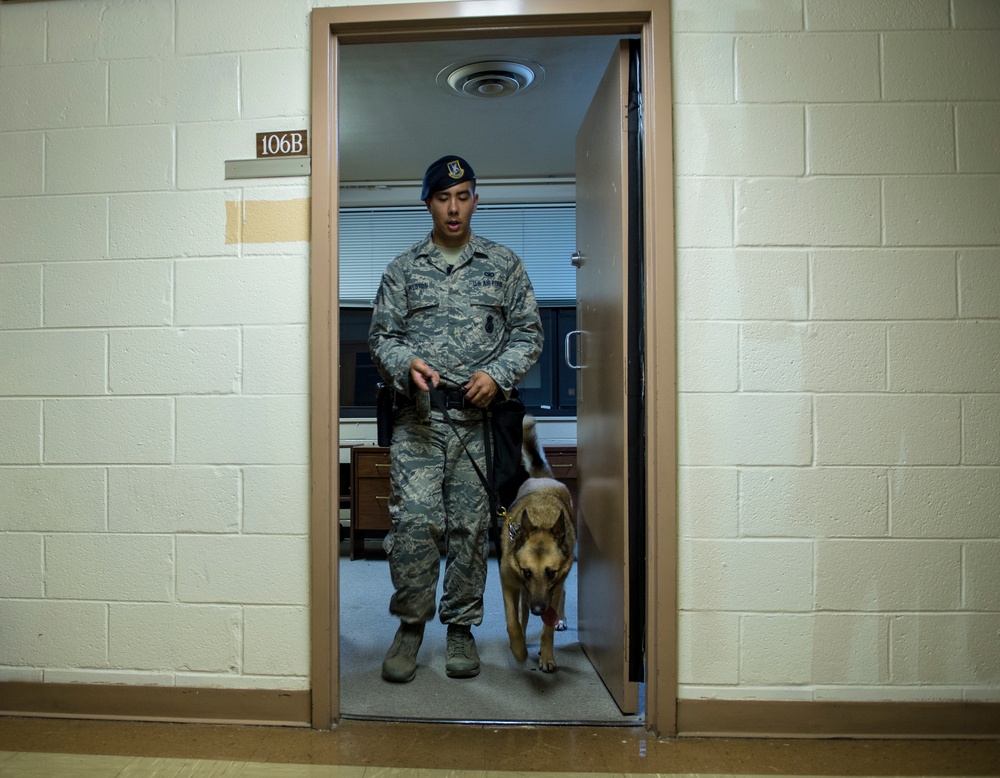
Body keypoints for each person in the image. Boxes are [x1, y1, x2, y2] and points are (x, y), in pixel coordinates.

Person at [368, 155, 543, 682]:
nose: (453, 207)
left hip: (478, 424)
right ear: (428, 202)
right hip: (418, 423)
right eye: (443, 197)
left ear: (474, 199)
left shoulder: (504, 265)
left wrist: (498, 373)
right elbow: (382, 338)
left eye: (463, 196)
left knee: (469, 530)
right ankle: (410, 626)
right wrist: (406, 364)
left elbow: (529, 334)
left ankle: (461, 628)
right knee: (416, 526)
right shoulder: (402, 269)